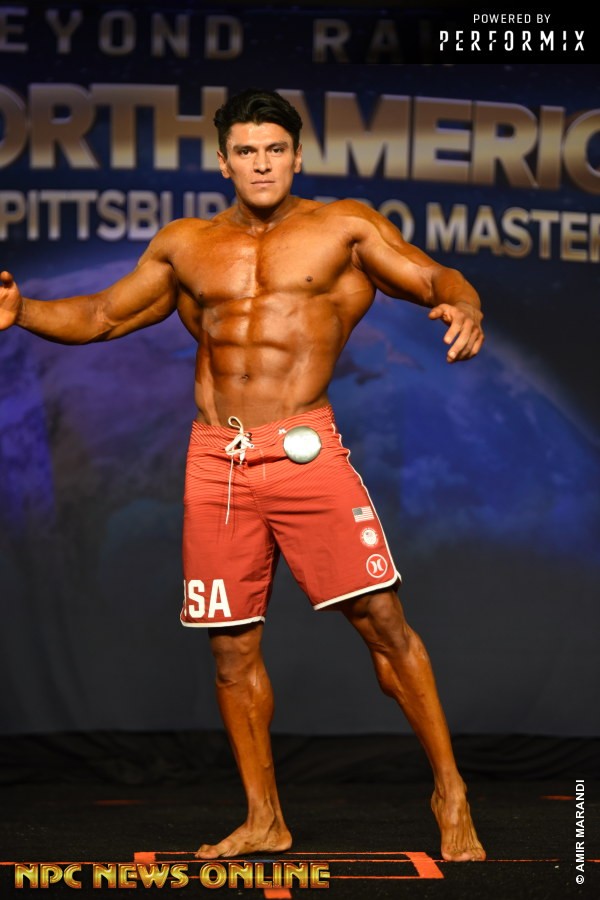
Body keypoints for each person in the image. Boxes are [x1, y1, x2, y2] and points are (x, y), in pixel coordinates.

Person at [0, 88, 485, 862]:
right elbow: (101, 316)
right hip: (217, 461)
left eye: (275, 150)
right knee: (230, 650)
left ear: (297, 156)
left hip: (303, 448)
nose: (262, 164)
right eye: (246, 151)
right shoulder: (187, 245)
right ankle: (265, 818)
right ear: (223, 161)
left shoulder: (344, 228)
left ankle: (450, 789)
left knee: (383, 623)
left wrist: (465, 305)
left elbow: (433, 278)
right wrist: (22, 311)